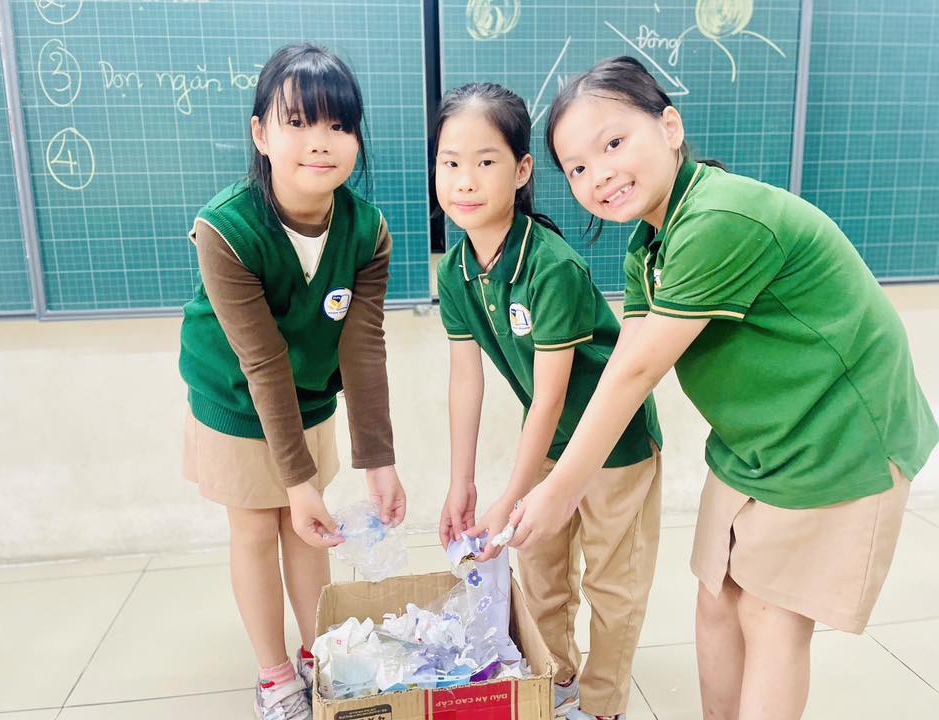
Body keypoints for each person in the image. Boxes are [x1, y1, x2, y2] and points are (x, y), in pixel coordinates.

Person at [509, 56, 938, 720]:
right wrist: (556, 481)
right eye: (578, 168)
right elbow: (628, 360)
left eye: (614, 143)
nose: (600, 175)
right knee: (717, 599)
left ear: (670, 127)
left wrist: (562, 489)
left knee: (769, 613)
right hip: (756, 440)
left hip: (837, 434)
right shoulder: (651, 244)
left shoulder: (721, 216)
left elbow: (639, 372)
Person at [178, 43, 406, 720]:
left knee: (311, 529)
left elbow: (363, 348)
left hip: (307, 397)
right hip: (234, 400)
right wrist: (298, 481)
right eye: (299, 122)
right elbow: (261, 361)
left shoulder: (367, 230)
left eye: (339, 125)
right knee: (257, 528)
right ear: (261, 134)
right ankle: (275, 674)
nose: (321, 141)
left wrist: (379, 460)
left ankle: (320, 652)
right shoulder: (226, 228)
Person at [434, 82, 663, 720]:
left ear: (522, 170)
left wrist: (509, 495)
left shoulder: (551, 265)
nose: (465, 180)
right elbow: (466, 380)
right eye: (450, 163)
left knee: (612, 584)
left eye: (486, 161)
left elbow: (553, 395)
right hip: (548, 440)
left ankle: (603, 704)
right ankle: (555, 680)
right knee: (538, 569)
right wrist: (462, 484)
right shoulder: (455, 270)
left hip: (613, 443)